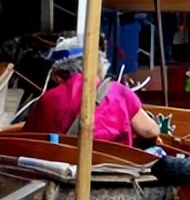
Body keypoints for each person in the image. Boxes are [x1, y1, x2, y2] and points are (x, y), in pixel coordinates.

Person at [25, 40, 161, 148]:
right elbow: (150, 131)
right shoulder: (119, 92)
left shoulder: (46, 100)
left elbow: (29, 137)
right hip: (113, 171)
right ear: (96, 65)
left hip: (63, 170)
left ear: (58, 75)